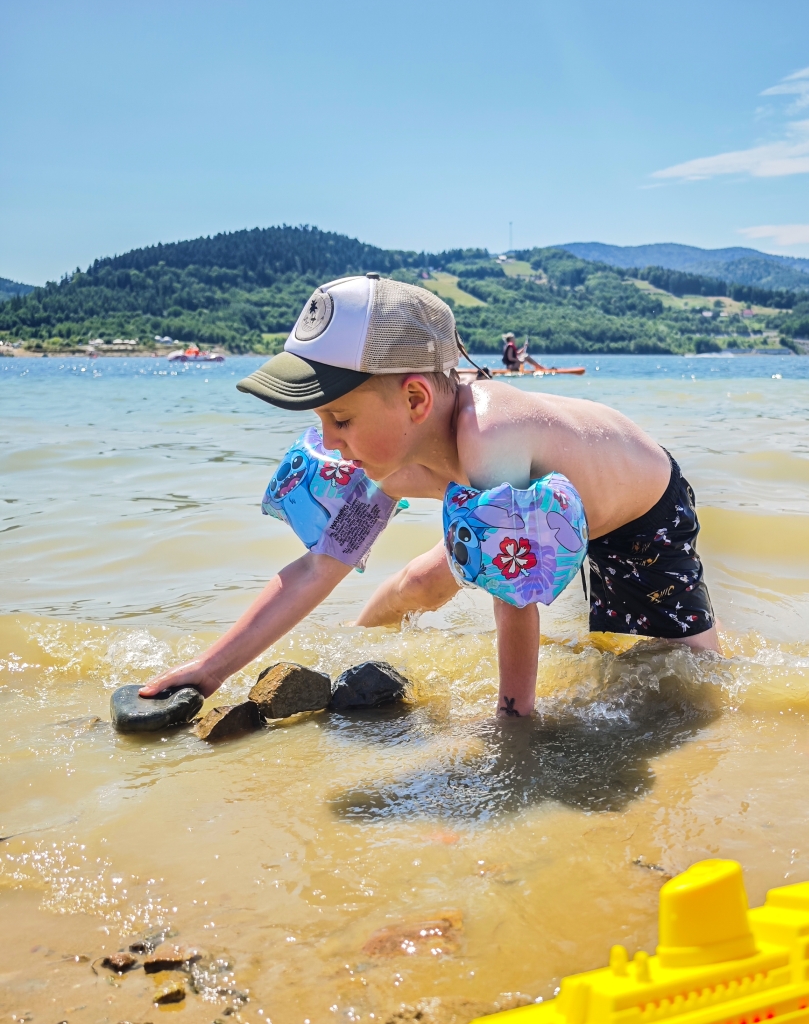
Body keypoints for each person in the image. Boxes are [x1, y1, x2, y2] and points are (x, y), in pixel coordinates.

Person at [141, 275, 718, 719]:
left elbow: (513, 599)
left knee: (678, 682)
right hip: (524, 513)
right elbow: (320, 565)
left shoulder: (488, 435)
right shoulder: (384, 457)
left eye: (341, 418)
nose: (329, 441)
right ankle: (355, 644)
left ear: (416, 400)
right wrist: (209, 669)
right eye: (321, 421)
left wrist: (513, 723)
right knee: (419, 583)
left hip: (641, 514)